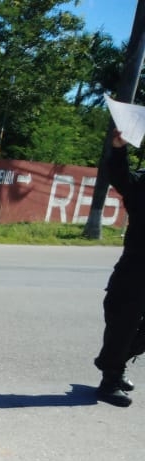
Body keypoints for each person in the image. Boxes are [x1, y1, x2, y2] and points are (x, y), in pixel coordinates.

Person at [94, 128, 145, 407]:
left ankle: (114, 362)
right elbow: (120, 177)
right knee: (122, 322)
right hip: (137, 267)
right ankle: (110, 380)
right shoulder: (141, 182)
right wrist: (118, 148)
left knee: (131, 330)